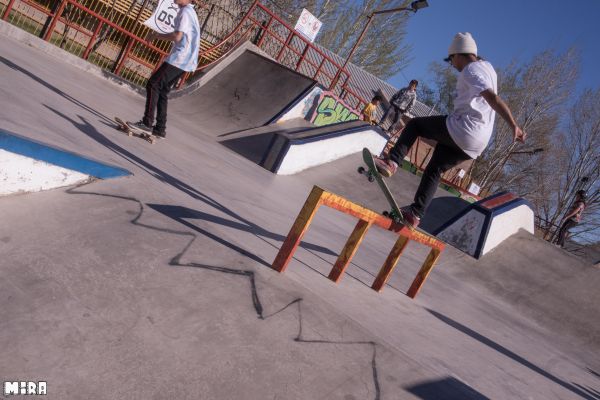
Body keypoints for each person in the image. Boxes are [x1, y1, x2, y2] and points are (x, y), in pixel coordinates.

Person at [375, 32, 526, 228]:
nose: (453, 66)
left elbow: (492, 98)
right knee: (435, 168)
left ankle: (392, 161)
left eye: (451, 60)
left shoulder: (470, 71)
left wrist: (513, 124)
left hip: (464, 128)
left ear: (458, 54)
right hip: (476, 145)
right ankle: (415, 213)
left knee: (415, 125)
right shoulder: (488, 68)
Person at [130, 0, 201, 138]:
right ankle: (160, 129)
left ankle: (147, 124)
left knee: (153, 84)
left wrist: (155, 35)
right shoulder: (189, 11)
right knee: (162, 91)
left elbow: (177, 36)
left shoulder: (186, 12)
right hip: (186, 61)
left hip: (180, 59)